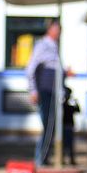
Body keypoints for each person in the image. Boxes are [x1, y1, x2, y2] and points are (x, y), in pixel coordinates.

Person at [25, 20, 63, 165]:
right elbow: (30, 69)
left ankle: (45, 157)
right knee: (47, 124)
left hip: (54, 91)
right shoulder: (42, 45)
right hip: (45, 90)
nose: (59, 32)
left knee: (52, 125)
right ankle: (40, 158)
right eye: (56, 29)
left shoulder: (56, 46)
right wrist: (33, 90)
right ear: (50, 29)